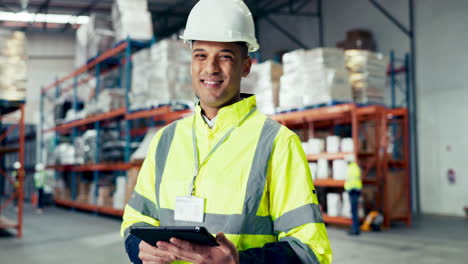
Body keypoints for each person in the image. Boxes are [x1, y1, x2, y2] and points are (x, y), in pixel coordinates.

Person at [121, 0, 332, 263]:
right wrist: (138, 248)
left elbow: (311, 250)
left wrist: (239, 262)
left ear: (245, 66)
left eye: (225, 56)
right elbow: (135, 220)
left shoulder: (277, 143)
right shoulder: (166, 140)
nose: (211, 68)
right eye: (201, 55)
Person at [344, 155, 362, 236]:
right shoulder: (356, 167)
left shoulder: (351, 168)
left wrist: (348, 188)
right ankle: (354, 228)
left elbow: (351, 181)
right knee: (354, 211)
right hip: (356, 191)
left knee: (354, 211)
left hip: (353, 191)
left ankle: (355, 229)